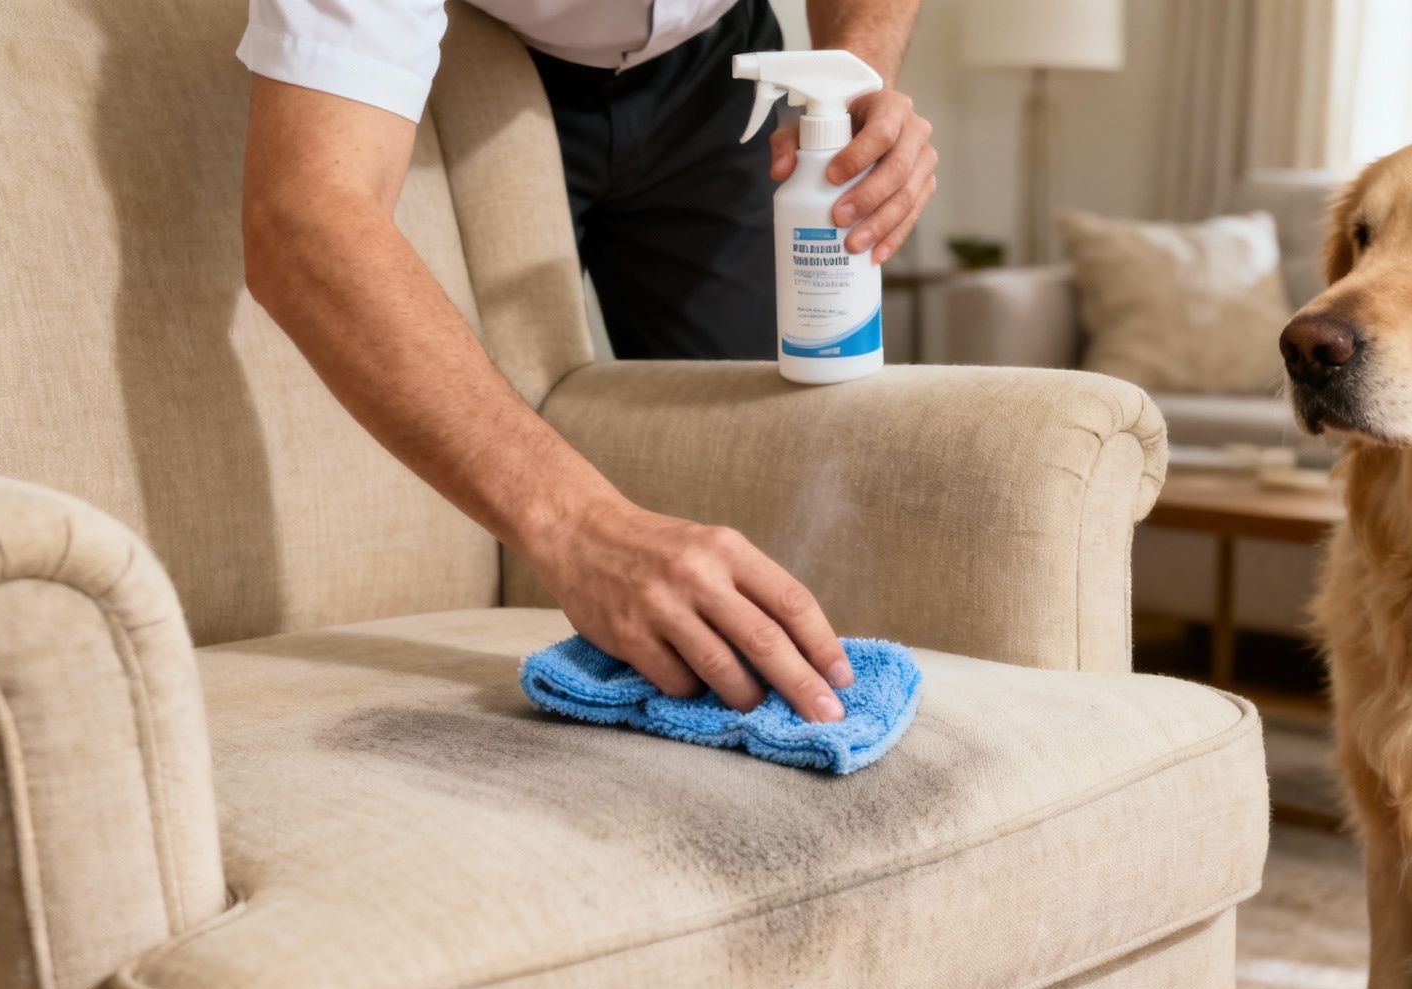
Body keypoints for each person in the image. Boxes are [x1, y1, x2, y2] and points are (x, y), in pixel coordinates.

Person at [237, 0, 936, 726]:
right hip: (488, 72)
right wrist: (578, 527)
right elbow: (303, 215)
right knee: (494, 437)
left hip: (713, 70)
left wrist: (854, 74)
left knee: (765, 450)